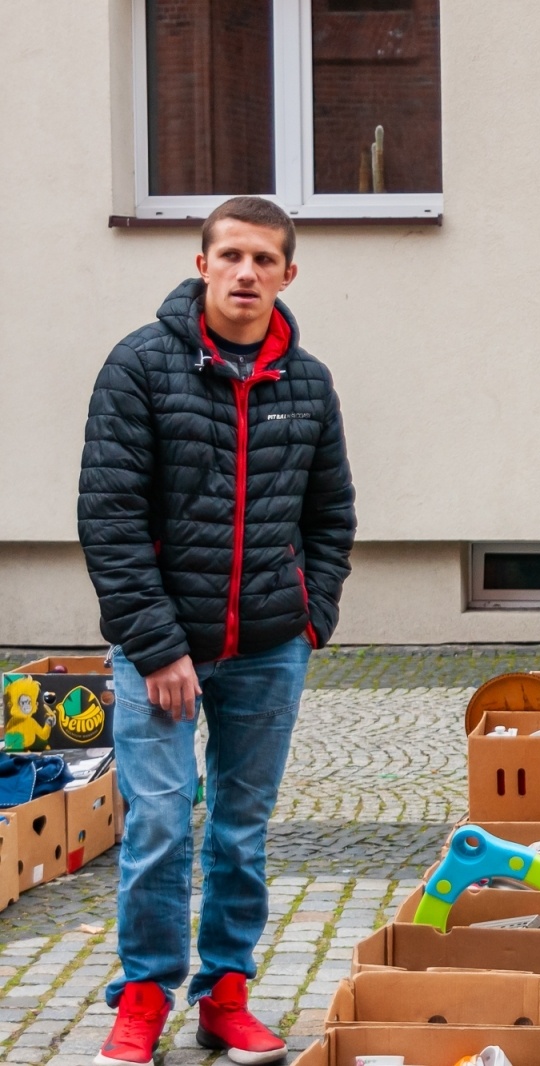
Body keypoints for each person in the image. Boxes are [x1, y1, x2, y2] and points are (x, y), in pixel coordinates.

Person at [79, 196, 356, 1066]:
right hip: (162, 647)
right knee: (161, 823)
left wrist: (311, 616)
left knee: (241, 828)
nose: (245, 273)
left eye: (263, 260)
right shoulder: (140, 367)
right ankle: (146, 997)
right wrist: (158, 647)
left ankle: (226, 993)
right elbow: (111, 519)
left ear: (287, 273)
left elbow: (331, 512)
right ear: (202, 264)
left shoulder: (306, 383)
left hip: (271, 646)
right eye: (230, 256)